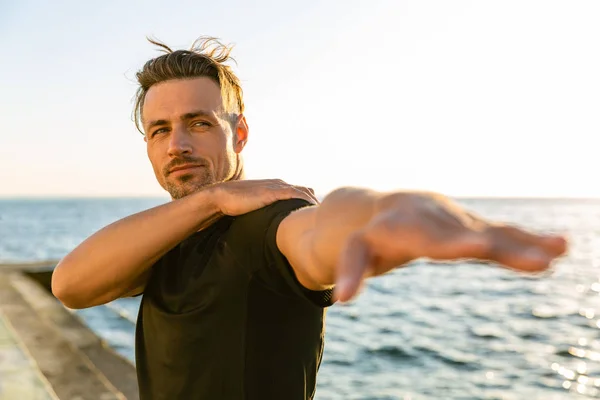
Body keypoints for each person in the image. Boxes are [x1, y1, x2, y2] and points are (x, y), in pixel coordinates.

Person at [51, 36, 568, 400]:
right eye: (159, 130)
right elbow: (70, 285)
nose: (178, 144)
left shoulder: (266, 224)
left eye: (199, 123)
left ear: (241, 133)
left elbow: (319, 229)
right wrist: (207, 203)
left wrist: (378, 214)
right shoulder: (178, 231)